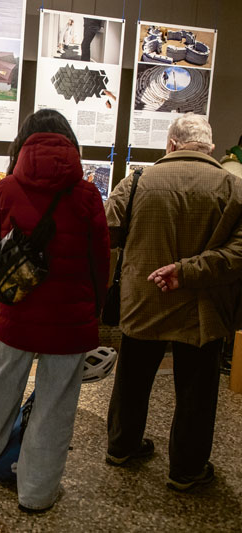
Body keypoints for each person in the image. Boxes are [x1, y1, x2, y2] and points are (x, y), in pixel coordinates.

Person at [0, 109, 110, 513]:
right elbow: (99, 262)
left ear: (24, 141)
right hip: (70, 320)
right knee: (55, 406)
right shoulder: (86, 194)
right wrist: (94, 308)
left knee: (1, 390)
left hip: (17, 311)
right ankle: (36, 492)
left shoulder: (7, 187)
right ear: (69, 142)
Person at [103, 114, 242, 491]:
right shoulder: (232, 187)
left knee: (132, 378)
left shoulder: (136, 183)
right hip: (202, 307)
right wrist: (189, 269)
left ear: (171, 144)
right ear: (210, 149)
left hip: (143, 298)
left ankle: (122, 445)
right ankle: (186, 469)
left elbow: (108, 233)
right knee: (197, 391)